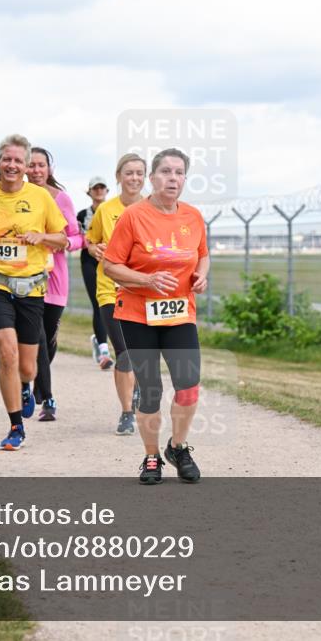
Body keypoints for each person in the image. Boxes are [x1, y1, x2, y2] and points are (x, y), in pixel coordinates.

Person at [103, 148, 209, 485]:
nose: (172, 178)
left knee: (188, 386)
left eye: (179, 172)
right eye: (165, 171)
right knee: (150, 389)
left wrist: (202, 275)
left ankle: (177, 447)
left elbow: (203, 255)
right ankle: (151, 457)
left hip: (180, 314)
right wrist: (146, 280)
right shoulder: (133, 216)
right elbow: (110, 265)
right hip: (138, 314)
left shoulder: (193, 216)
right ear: (152, 178)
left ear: (185, 179)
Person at [0, 133, 68, 451]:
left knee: (28, 367)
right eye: (6, 159)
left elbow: (62, 239)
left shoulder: (40, 197)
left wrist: (41, 237)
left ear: (26, 166)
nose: (12, 165)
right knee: (7, 353)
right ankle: (16, 426)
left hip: (31, 287)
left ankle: (25, 385)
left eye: (18, 160)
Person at [87, 153, 147, 435]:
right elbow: (91, 240)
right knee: (124, 352)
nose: (134, 178)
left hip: (143, 291)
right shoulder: (105, 210)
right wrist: (93, 248)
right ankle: (126, 413)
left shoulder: (153, 208)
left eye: (139, 173)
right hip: (110, 290)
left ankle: (138, 389)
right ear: (118, 177)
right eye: (129, 173)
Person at [27, 146, 84, 421]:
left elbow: (77, 237)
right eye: (31, 165)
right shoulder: (17, 197)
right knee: (36, 338)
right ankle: (47, 398)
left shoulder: (61, 198)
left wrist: (61, 243)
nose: (36, 170)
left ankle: (36, 384)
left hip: (55, 278)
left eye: (41, 165)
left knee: (48, 340)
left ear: (49, 169)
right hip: (26, 278)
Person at [78, 176, 111, 365]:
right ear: (89, 192)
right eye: (95, 188)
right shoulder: (82, 215)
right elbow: (77, 237)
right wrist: (90, 244)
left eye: (102, 187)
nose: (99, 191)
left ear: (107, 190)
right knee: (98, 303)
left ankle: (105, 342)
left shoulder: (113, 210)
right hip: (90, 261)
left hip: (111, 260)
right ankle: (104, 351)